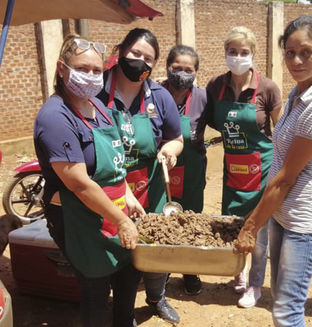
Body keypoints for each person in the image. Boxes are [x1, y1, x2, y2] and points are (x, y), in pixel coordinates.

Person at [234, 15, 312, 327]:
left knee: (287, 311)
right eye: (290, 52)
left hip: (305, 222)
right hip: (284, 215)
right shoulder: (298, 93)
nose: (296, 60)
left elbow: (286, 177)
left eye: (306, 52)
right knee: (280, 303)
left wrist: (251, 227)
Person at [34, 33, 145, 327]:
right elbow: (79, 184)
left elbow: (116, 166)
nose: (91, 76)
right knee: (96, 288)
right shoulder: (56, 117)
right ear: (61, 68)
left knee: (128, 273)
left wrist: (129, 199)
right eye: (82, 69)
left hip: (114, 211)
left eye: (96, 70)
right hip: (79, 218)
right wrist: (121, 222)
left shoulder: (99, 108)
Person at [96, 28, 183, 324]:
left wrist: (170, 151)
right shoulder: (96, 92)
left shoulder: (159, 97)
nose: (140, 61)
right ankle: (122, 311)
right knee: (117, 251)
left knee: (157, 248)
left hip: (151, 187)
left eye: (148, 58)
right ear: (121, 51)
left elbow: (176, 138)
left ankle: (157, 298)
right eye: (135, 54)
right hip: (109, 188)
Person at [205, 26, 283, 308]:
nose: (238, 57)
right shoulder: (215, 86)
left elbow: (281, 130)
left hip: (262, 168)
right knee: (232, 223)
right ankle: (238, 270)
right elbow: (212, 120)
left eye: (244, 52)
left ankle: (255, 285)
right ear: (225, 53)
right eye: (232, 52)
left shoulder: (268, 88)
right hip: (233, 167)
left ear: (253, 54)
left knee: (259, 229)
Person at [160, 45, 208, 295]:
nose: (182, 73)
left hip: (191, 172)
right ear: (167, 67)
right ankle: (164, 270)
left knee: (191, 220)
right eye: (177, 68)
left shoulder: (202, 97)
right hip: (162, 170)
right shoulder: (155, 94)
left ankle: (190, 270)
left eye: (188, 69)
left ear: (196, 72)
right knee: (162, 220)